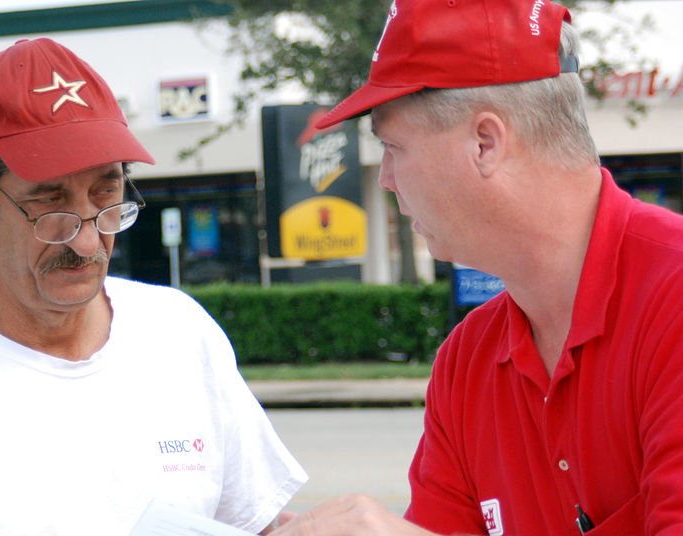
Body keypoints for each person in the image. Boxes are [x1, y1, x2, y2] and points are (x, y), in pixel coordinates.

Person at [270, 0, 683, 535]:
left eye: (393, 147)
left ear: (485, 142)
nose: (386, 179)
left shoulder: (671, 302)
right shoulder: (466, 363)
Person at [0, 37, 306, 535]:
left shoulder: (179, 331)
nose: (87, 241)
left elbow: (252, 522)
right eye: (48, 201)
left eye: (107, 191)